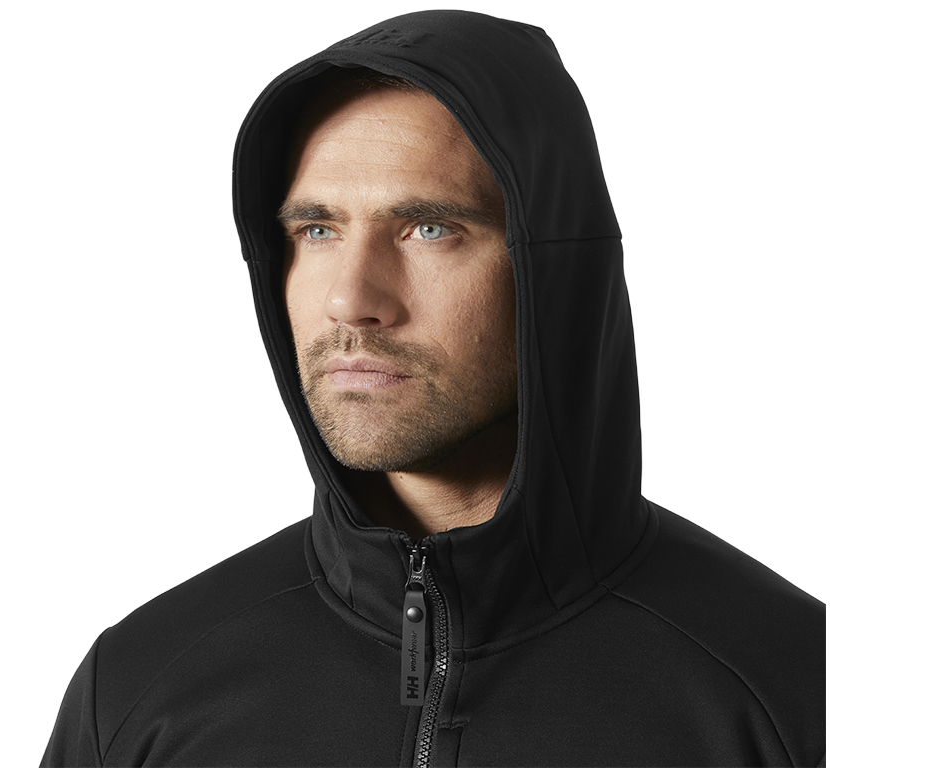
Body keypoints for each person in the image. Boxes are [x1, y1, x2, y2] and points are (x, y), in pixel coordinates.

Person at [41, 10, 825, 767]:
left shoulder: (794, 691)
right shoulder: (142, 689)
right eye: (318, 230)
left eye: (429, 228)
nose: (350, 299)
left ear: (550, 267)